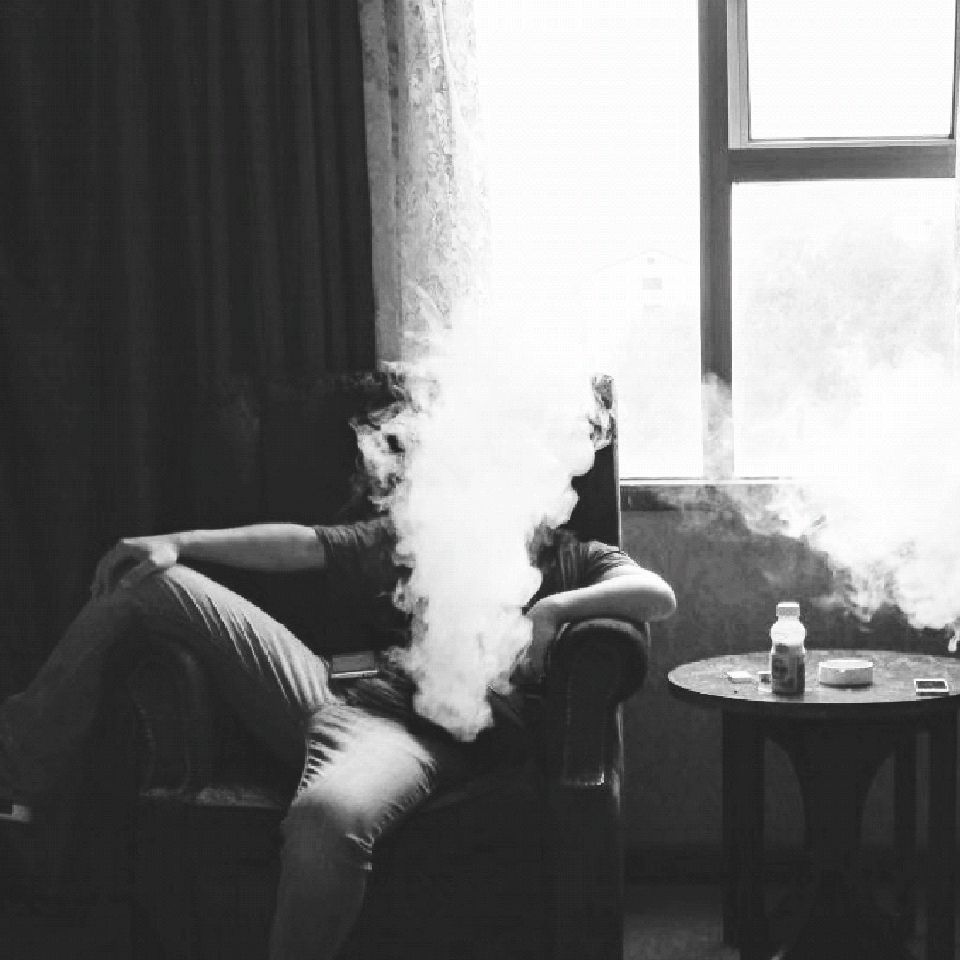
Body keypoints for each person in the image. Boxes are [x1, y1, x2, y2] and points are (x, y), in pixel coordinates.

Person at [0, 514, 676, 959]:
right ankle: (14, 773)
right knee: (151, 580)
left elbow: (656, 594)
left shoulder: (574, 558)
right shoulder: (424, 525)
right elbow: (304, 543)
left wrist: (556, 609)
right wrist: (179, 541)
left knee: (327, 817)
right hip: (325, 686)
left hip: (407, 736)